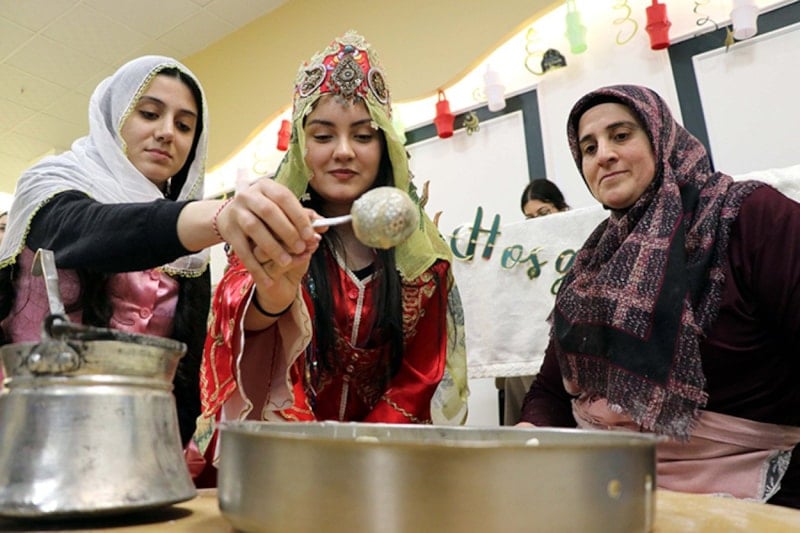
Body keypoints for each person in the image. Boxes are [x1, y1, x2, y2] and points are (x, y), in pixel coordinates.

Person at [518, 84, 800, 508]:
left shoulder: (750, 217)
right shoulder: (595, 261)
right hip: (603, 484)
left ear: (661, 138)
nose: (603, 155)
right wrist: (527, 440)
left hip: (740, 489)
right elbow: (551, 390)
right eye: (589, 148)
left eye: (621, 135)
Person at [198, 31, 469, 464]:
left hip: (383, 462)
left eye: (362, 136)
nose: (343, 152)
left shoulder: (423, 263)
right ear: (301, 146)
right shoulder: (269, 236)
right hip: (287, 456)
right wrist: (273, 293)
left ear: (385, 146)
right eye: (323, 137)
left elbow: (420, 379)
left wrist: (358, 454)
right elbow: (239, 334)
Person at [0, 55, 280, 451]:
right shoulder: (52, 181)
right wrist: (215, 216)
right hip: (33, 433)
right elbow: (82, 231)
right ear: (114, 116)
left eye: (184, 126)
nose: (166, 133)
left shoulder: (190, 248)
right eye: (149, 114)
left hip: (138, 445)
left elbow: (188, 362)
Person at [496, 179, 570, 426]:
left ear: (562, 208)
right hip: (532, 343)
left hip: (565, 342)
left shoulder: (580, 239)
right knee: (514, 374)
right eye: (530, 218)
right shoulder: (522, 251)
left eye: (544, 213)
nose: (538, 222)